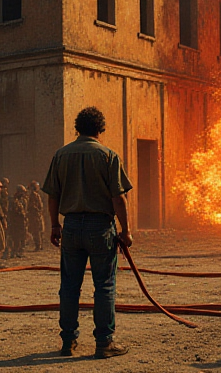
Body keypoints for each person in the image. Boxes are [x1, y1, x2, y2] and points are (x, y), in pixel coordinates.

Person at [44, 106, 133, 359]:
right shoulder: (108, 156)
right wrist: (126, 231)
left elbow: (53, 195)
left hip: (70, 227)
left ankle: (68, 342)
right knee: (104, 285)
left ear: (77, 128)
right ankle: (104, 343)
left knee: (69, 286)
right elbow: (119, 199)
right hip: (99, 227)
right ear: (100, 129)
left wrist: (54, 225)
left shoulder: (60, 155)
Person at [7, 185, 29, 258]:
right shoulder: (12, 200)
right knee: (14, 237)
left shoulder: (23, 200)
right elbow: (11, 211)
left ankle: (20, 251)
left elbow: (25, 211)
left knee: (22, 237)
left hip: (22, 222)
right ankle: (13, 251)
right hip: (15, 222)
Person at [27, 181, 46, 251]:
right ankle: (39, 245)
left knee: (36, 231)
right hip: (37, 215)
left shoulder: (34, 195)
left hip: (35, 216)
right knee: (38, 231)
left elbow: (34, 206)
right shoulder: (35, 195)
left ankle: (38, 246)